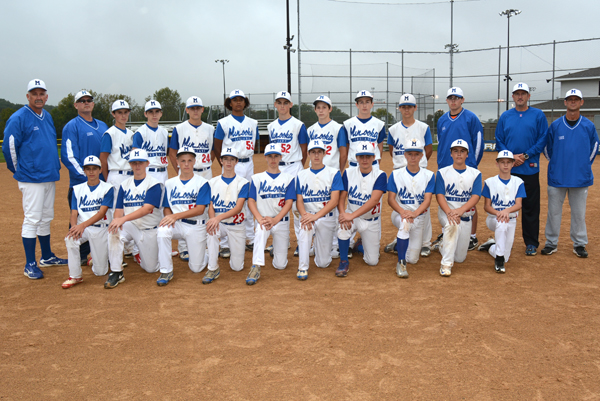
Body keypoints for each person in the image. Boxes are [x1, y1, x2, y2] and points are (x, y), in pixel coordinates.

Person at [2, 79, 67, 279]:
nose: (38, 97)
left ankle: (46, 256)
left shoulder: (46, 116)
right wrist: (20, 171)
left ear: (46, 97)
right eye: (34, 94)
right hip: (31, 177)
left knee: (46, 217)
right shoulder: (19, 117)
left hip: (48, 175)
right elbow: (9, 147)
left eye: (42, 94)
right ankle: (30, 263)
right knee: (32, 218)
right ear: (28, 96)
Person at [541, 89, 599, 258]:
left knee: (579, 214)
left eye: (576, 99)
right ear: (565, 102)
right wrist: (557, 163)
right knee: (553, 212)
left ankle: (579, 243)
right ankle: (551, 243)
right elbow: (547, 148)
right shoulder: (556, 125)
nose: (573, 102)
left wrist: (583, 164)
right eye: (570, 99)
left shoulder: (588, 125)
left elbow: (594, 147)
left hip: (580, 178)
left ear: (582, 102)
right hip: (557, 177)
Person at [495, 82, 548, 256]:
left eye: (523, 93)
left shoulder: (538, 115)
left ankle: (531, 243)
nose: (520, 96)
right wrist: (511, 157)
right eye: (517, 94)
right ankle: (503, 241)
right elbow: (499, 139)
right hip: (509, 169)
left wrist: (524, 156)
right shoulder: (506, 116)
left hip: (529, 169)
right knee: (505, 205)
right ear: (513, 97)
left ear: (528, 96)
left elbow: (542, 139)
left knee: (530, 207)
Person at [61, 90, 109, 265]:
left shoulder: (103, 126)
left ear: (93, 103)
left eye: (89, 100)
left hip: (101, 183)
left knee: (101, 218)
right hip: (81, 183)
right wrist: (87, 179)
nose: (86, 103)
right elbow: (68, 156)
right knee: (81, 218)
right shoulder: (72, 126)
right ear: (76, 105)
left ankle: (99, 254)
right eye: (82, 101)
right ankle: (79, 256)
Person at [385, 93, 434, 258]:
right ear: (399, 108)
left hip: (419, 168)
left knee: (422, 208)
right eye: (403, 106)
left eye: (410, 106)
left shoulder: (423, 127)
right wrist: (402, 162)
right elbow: (392, 150)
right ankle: (401, 238)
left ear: (415, 108)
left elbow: (428, 149)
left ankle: (426, 243)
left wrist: (418, 162)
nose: (407, 109)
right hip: (400, 170)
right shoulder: (393, 129)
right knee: (402, 207)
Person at [105, 149, 162, 288]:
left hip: (149, 230)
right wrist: (117, 221)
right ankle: (116, 272)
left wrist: (122, 220)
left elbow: (147, 209)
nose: (137, 166)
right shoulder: (124, 185)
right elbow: (118, 210)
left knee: (150, 268)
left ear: (147, 163)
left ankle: (157, 253)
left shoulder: (154, 184)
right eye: (134, 163)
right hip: (132, 226)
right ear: (130, 164)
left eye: (140, 163)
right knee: (114, 230)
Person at [436, 87, 484, 251]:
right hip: (445, 168)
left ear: (462, 100)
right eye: (451, 98)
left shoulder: (471, 118)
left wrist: (471, 166)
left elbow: (478, 143)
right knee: (447, 199)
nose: (454, 101)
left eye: (457, 98)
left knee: (468, 201)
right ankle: (447, 231)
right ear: (447, 100)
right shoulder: (442, 119)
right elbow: (441, 143)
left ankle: (472, 236)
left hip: (466, 166)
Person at [168, 96, 215, 261]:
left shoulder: (210, 128)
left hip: (205, 172)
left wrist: (207, 163)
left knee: (207, 206)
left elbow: (213, 150)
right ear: (187, 110)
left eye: (198, 108)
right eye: (192, 108)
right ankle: (183, 247)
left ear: (202, 109)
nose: (195, 111)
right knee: (184, 205)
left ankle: (207, 242)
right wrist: (180, 170)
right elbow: (172, 152)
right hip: (187, 171)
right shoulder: (179, 128)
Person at [213, 90, 259, 255]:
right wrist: (224, 163)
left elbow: (255, 142)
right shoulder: (223, 122)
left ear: (245, 103)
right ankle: (225, 242)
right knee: (229, 200)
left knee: (248, 200)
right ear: (229, 103)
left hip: (248, 163)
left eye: (241, 100)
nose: (238, 103)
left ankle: (250, 238)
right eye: (235, 100)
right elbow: (216, 146)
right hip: (232, 163)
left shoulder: (253, 123)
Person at [157, 146, 211, 286]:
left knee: (196, 268)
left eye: (189, 160)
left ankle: (207, 253)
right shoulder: (169, 183)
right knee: (163, 230)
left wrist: (175, 216)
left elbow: (199, 209)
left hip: (196, 225)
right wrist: (170, 218)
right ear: (177, 162)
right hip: (178, 225)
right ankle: (166, 270)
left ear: (194, 162)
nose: (186, 164)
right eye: (183, 161)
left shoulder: (202, 183)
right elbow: (167, 207)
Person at [246, 144, 296, 285]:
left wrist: (275, 219)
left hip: (280, 221)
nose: (273, 159)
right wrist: (259, 219)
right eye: (270, 156)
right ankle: (255, 266)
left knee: (281, 265)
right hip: (264, 220)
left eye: (276, 156)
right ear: (265, 158)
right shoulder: (257, 178)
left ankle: (275, 247)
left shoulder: (288, 178)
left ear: (280, 157)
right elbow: (251, 201)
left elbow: (289, 202)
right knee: (260, 231)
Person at [335, 142, 387, 277]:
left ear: (374, 157)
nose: (365, 159)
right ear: (356, 158)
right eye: (361, 156)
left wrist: (350, 216)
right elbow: (341, 198)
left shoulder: (380, 175)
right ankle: (344, 261)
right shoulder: (348, 172)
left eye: (368, 156)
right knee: (343, 228)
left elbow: (374, 200)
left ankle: (359, 246)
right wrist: (342, 214)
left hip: (371, 220)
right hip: (353, 218)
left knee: (372, 261)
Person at [62, 156, 114, 288]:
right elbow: (74, 213)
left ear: (100, 170)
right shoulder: (77, 189)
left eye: (94, 169)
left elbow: (101, 213)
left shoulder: (108, 188)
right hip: (83, 228)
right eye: (88, 169)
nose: (91, 172)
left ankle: (101, 259)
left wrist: (82, 226)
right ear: (84, 171)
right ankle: (75, 276)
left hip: (100, 228)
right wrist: (74, 228)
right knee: (70, 239)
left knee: (100, 272)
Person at [267, 91, 308, 256]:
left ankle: (301, 242)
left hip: (294, 166)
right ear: (275, 105)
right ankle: (280, 242)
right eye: (279, 102)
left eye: (286, 103)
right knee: (277, 204)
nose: (282, 106)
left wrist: (298, 165)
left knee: (297, 207)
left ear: (291, 105)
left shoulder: (298, 125)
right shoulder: (271, 126)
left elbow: (304, 148)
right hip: (278, 167)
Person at [295, 139, 343, 280]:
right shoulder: (300, 175)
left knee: (323, 263)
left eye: (319, 152)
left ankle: (317, 246)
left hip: (326, 217)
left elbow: (334, 200)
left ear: (324, 154)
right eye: (313, 152)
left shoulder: (334, 173)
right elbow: (299, 200)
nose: (316, 155)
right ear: (309, 154)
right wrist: (305, 216)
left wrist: (315, 217)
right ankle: (302, 267)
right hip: (308, 215)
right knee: (305, 228)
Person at [307, 95, 348, 259]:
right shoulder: (310, 130)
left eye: (325, 107)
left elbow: (343, 152)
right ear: (315, 110)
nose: (321, 110)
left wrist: (339, 171)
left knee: (336, 207)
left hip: (332, 172)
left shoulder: (338, 128)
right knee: (315, 205)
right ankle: (316, 243)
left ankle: (336, 245)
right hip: (315, 172)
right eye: (318, 107)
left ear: (330, 109)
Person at [387, 139, 435, 278]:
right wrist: (403, 213)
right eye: (410, 154)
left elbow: (427, 200)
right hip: (399, 215)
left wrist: (414, 213)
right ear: (405, 155)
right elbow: (391, 199)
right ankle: (401, 263)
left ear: (421, 156)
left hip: (418, 217)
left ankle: (398, 244)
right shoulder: (396, 174)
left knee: (413, 259)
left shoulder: (429, 175)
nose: (413, 157)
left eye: (416, 154)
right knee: (405, 223)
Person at [434, 139, 482, 277]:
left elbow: (475, 196)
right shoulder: (442, 173)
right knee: (452, 224)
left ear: (467, 154)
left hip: (466, 216)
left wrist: (460, 211)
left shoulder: (475, 174)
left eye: (462, 151)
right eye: (455, 151)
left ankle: (443, 245)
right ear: (451, 154)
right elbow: (440, 195)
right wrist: (450, 212)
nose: (459, 154)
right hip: (446, 212)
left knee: (460, 258)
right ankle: (446, 264)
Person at [203, 147, 250, 284]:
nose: (228, 162)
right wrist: (213, 219)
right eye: (225, 159)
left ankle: (209, 254)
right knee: (212, 231)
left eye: (232, 159)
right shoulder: (212, 182)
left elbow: (238, 208)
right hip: (220, 224)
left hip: (236, 225)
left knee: (237, 267)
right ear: (221, 161)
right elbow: (210, 205)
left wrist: (217, 218)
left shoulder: (243, 183)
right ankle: (213, 267)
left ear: (236, 162)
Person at [478, 150, 526, 273]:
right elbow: (487, 207)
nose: (505, 165)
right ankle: (499, 260)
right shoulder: (490, 182)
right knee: (502, 223)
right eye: (502, 162)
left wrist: (506, 211)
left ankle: (491, 247)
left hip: (512, 219)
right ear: (497, 164)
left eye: (508, 162)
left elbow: (519, 204)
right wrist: (499, 213)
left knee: (507, 256)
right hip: (493, 219)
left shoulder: (518, 182)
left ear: (512, 164)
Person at [343, 90, 386, 169]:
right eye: (361, 102)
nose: (364, 105)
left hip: (373, 165)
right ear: (357, 105)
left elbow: (380, 146)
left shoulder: (379, 124)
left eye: (367, 102)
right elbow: (347, 146)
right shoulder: (348, 124)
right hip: (354, 165)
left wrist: (376, 164)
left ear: (372, 104)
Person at [133, 100, 169, 184]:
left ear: (161, 114)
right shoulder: (140, 133)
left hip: (163, 173)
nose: (154, 114)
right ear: (145, 114)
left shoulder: (165, 132)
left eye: (157, 111)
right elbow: (134, 157)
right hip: (147, 172)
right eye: (151, 112)